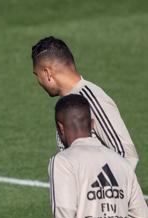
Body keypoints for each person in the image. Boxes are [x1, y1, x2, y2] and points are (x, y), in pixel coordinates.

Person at [32, 36, 138, 169]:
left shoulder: (92, 99)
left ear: (47, 73)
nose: (38, 82)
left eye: (37, 75)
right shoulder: (68, 103)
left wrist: (103, 188)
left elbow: (127, 154)